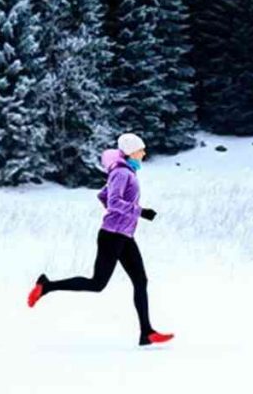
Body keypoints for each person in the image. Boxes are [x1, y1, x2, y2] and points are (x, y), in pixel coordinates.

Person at [27, 132, 174, 347]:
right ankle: (46, 286)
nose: (144, 153)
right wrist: (140, 212)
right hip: (112, 236)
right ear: (131, 151)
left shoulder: (125, 172)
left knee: (140, 281)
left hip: (123, 235)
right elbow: (113, 201)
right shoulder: (122, 173)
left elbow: (103, 196)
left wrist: (123, 216)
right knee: (97, 284)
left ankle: (146, 332)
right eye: (141, 149)